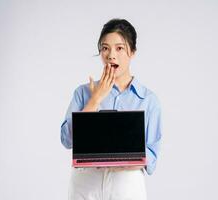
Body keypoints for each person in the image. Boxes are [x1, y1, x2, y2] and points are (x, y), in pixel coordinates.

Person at [60, 18, 162, 200]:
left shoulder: (148, 100)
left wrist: (124, 158)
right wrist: (95, 99)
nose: (111, 55)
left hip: (126, 184)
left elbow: (152, 156)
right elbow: (67, 140)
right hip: (86, 183)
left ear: (133, 52)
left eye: (119, 48)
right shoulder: (83, 92)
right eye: (105, 48)